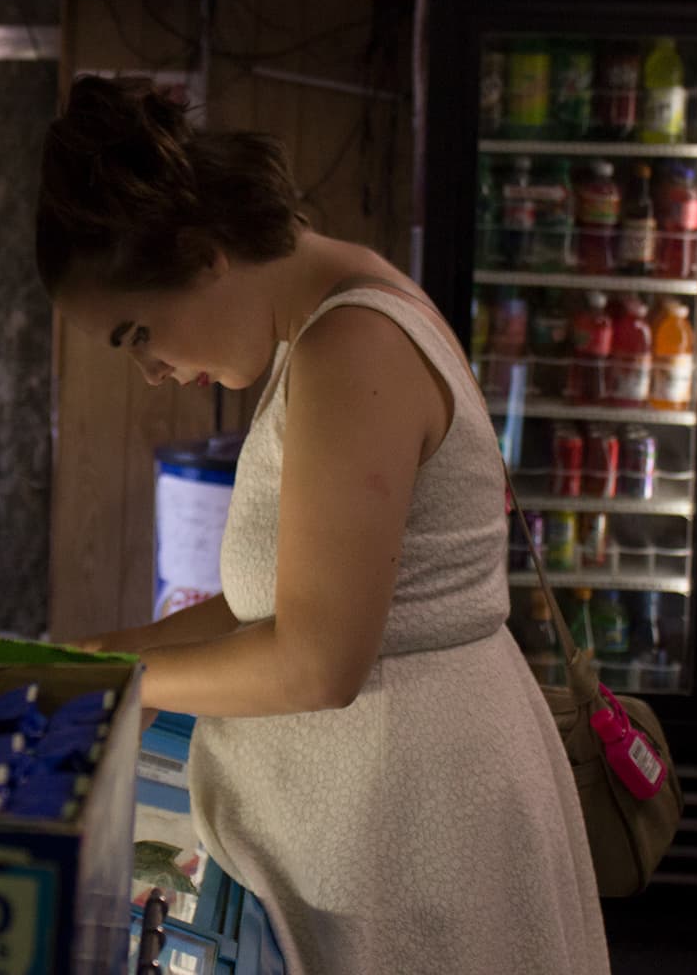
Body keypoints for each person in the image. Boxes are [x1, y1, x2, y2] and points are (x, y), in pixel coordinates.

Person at [41, 77, 609, 973]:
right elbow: (270, 605)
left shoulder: (353, 346)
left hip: (419, 828)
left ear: (203, 255)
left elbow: (317, 661)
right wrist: (91, 660)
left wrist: (122, 684)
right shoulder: (329, 324)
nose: (149, 371)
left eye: (139, 333)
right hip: (399, 815)